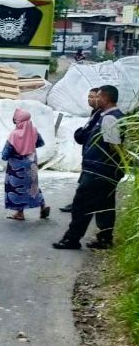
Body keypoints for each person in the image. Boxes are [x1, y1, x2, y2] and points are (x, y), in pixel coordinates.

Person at [54, 85, 124, 250]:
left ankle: (72, 239)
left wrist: (116, 165)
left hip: (98, 171)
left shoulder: (109, 118)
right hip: (104, 171)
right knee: (104, 206)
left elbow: (115, 146)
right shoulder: (105, 115)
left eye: (98, 96)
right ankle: (105, 239)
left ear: (106, 99)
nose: (94, 99)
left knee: (81, 205)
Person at [2, 109, 51, 221]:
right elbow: (40, 143)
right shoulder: (33, 130)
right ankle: (43, 206)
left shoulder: (14, 134)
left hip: (16, 167)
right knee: (32, 186)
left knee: (17, 189)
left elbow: (5, 154)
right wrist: (28, 144)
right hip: (31, 163)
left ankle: (20, 213)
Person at [60, 87, 101, 213]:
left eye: (93, 97)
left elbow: (88, 133)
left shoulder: (100, 114)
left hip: (94, 157)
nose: (90, 99)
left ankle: (79, 206)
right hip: (88, 154)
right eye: (89, 97)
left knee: (85, 184)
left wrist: (80, 133)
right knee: (86, 183)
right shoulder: (94, 112)